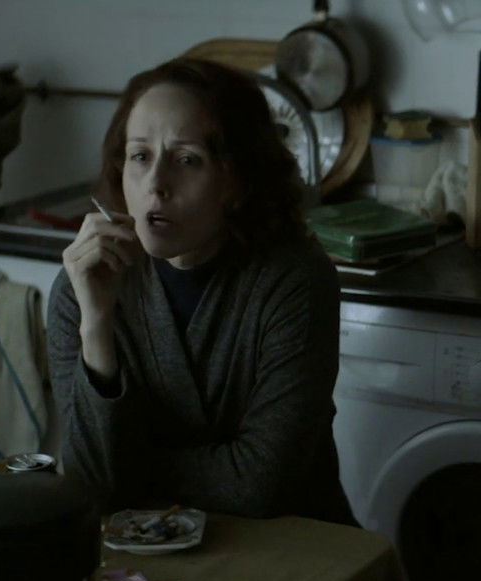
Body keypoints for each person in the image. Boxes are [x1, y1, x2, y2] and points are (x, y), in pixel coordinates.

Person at [47, 57, 356, 525]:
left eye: (187, 160)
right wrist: (96, 326)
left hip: (294, 545)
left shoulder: (294, 280)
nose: (156, 185)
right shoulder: (86, 282)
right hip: (140, 548)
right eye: (140, 156)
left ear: (237, 179)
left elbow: (261, 483)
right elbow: (88, 481)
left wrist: (127, 467)